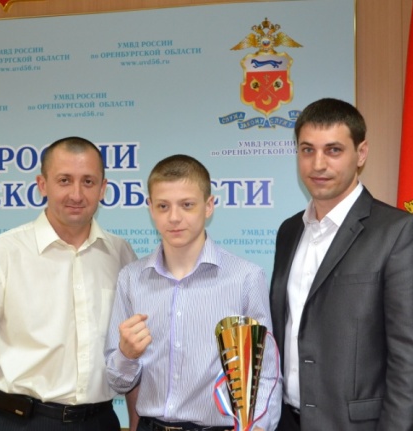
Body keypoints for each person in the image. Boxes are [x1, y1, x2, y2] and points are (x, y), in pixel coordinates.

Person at [269, 98, 413, 431]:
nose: (318, 164)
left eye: (333, 150)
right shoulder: (289, 231)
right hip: (285, 421)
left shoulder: (400, 232)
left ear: (361, 153)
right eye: (307, 150)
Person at [0, 136, 137, 431]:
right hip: (21, 422)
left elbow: (134, 355)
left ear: (103, 189)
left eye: (88, 182)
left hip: (100, 421)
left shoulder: (121, 255)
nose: (76, 194)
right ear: (42, 184)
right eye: (64, 180)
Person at [104, 154, 282, 431]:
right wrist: (126, 355)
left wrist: (256, 426)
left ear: (208, 206)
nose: (174, 217)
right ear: (150, 208)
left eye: (187, 205)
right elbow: (118, 382)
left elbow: (265, 373)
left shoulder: (245, 277)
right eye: (163, 206)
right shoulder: (131, 278)